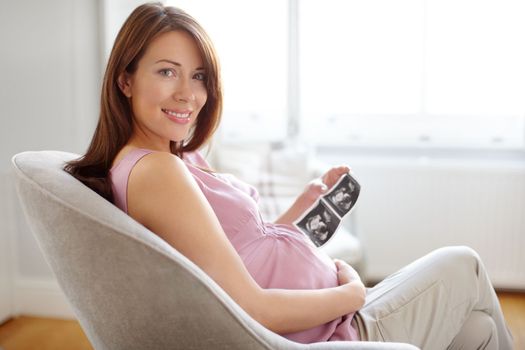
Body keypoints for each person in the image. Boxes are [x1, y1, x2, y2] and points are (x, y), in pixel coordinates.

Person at [65, 3, 514, 348]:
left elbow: (237, 253)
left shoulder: (168, 158)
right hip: (318, 330)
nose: (189, 94)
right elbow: (250, 304)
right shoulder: (156, 170)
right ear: (125, 80)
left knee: (477, 331)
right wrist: (353, 293)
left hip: (322, 315)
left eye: (199, 76)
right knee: (465, 263)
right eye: (167, 72)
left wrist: (300, 208)